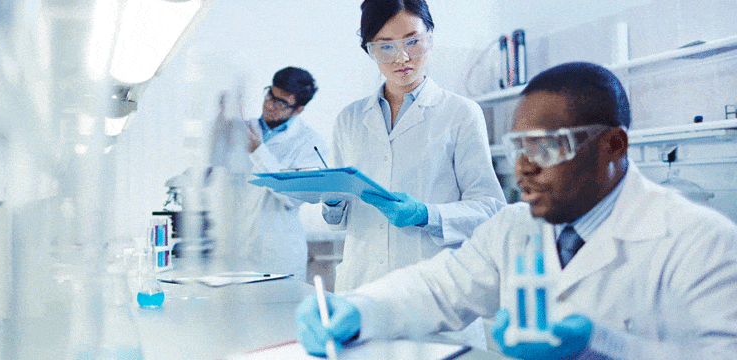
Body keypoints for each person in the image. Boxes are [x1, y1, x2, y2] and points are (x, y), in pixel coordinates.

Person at [296, 62, 737, 359]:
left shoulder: (702, 241)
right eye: (518, 147)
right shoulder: (514, 227)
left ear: (614, 145)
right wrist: (357, 309)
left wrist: (600, 348)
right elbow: (436, 289)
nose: (523, 166)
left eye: (545, 145)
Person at [323, 0, 506, 294]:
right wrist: (331, 202)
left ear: (430, 36)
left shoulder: (461, 113)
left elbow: (490, 209)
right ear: (369, 49)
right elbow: (338, 221)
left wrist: (426, 214)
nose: (402, 57)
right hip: (362, 285)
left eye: (413, 41)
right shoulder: (349, 120)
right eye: (385, 46)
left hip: (435, 289)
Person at [208, 66, 328, 279]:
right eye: (269, 95)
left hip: (277, 256)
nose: (269, 105)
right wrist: (220, 120)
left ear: (298, 109)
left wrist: (258, 151)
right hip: (234, 247)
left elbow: (293, 196)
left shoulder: (310, 144)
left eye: (281, 103)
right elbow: (214, 164)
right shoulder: (244, 129)